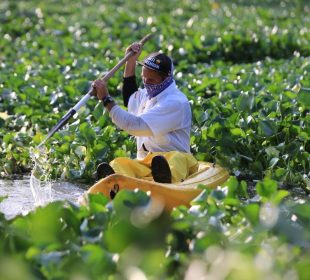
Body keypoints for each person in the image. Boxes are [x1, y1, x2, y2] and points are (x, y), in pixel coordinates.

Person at [92, 43, 198, 183]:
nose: (147, 83)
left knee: (175, 160)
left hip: (176, 159)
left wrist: (106, 99)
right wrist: (130, 61)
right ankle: (115, 184)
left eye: (151, 80)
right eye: (144, 78)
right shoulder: (147, 94)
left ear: (166, 78)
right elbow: (130, 97)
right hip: (146, 162)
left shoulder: (175, 102)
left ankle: (166, 182)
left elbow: (136, 126)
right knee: (119, 163)